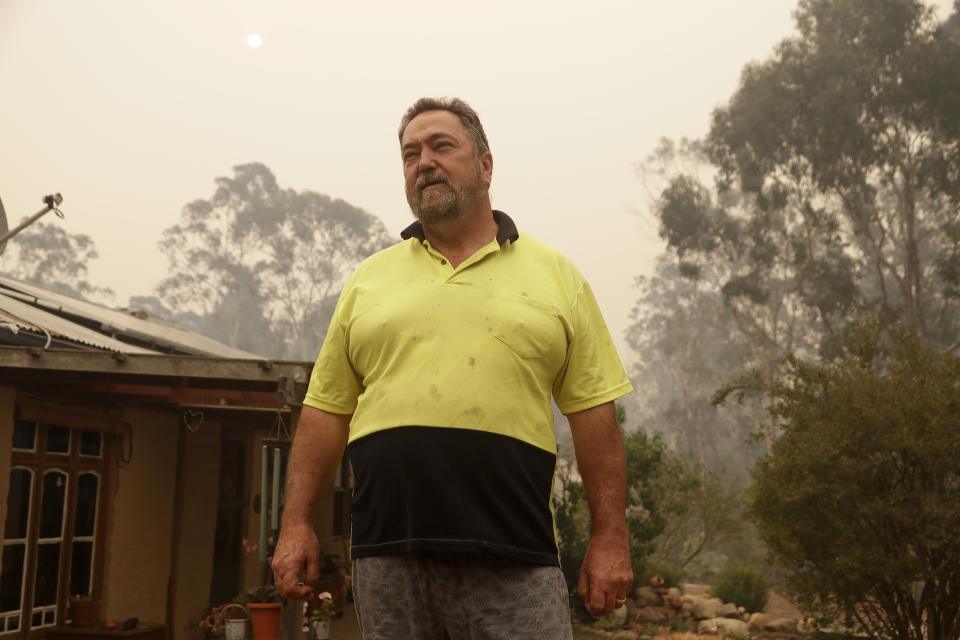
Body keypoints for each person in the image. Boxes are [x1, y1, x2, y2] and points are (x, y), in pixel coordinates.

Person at [271, 97, 634, 639]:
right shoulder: (369, 281)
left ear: (485, 165)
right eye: (410, 153)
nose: (424, 162)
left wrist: (611, 538)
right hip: (389, 555)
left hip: (516, 555)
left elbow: (594, 418)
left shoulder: (557, 276)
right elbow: (325, 413)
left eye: (442, 146)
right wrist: (296, 524)